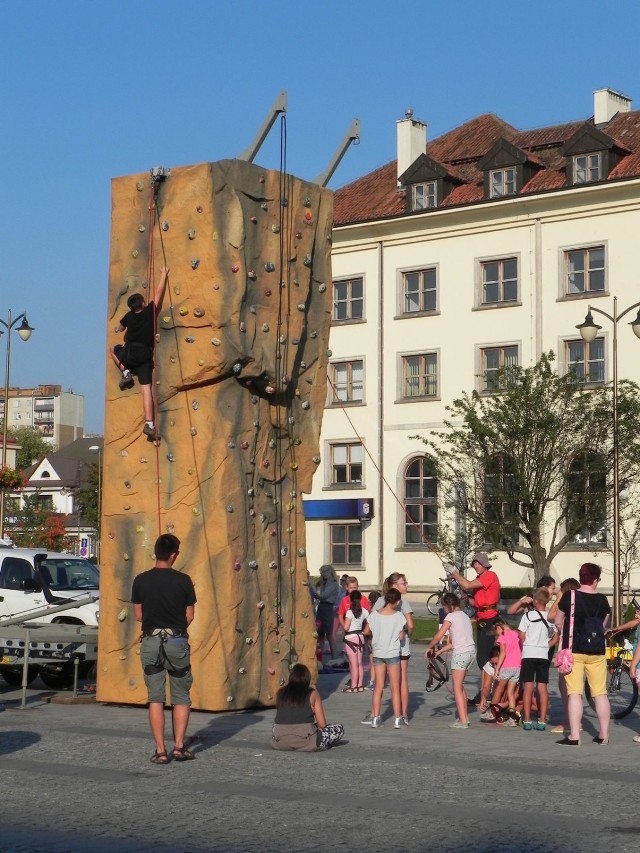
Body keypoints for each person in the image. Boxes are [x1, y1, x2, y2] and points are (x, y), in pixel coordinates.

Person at [131, 533, 196, 764]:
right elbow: (189, 616)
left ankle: (160, 751)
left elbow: (138, 615)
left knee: (155, 698)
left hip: (150, 641)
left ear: (155, 553)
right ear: (173, 554)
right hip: (177, 641)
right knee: (181, 696)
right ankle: (178, 747)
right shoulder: (184, 580)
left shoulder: (140, 580)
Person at [554, 562, 611, 746]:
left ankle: (574, 736)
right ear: (595, 580)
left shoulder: (570, 596)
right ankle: (603, 735)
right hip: (597, 651)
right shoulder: (603, 600)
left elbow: (557, 621)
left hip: (574, 651)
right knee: (600, 693)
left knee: (575, 693)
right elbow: (602, 626)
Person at [110, 265, 169, 441]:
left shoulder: (128, 317)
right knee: (146, 391)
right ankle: (149, 423)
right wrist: (164, 274)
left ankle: (125, 372)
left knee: (113, 348)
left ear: (131, 307)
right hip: (144, 356)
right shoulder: (150, 311)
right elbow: (158, 295)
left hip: (129, 353)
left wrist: (118, 326)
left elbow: (120, 329)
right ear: (143, 304)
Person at [448, 552, 501, 700]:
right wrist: (464, 597)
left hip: (490, 619)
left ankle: (486, 693)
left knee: (484, 657)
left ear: (484, 564)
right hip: (482, 619)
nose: (475, 566)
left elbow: (467, 584)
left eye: (477, 563)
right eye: (474, 564)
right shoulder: (480, 579)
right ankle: (485, 692)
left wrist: (454, 572)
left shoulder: (490, 575)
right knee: (482, 657)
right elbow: (476, 601)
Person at [425, 592, 476, 729]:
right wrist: (440, 651)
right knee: (460, 685)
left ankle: (463, 720)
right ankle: (464, 717)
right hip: (471, 652)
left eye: (443, 605)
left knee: (456, 687)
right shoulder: (465, 616)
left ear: (448, 605)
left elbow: (438, 637)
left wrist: (430, 647)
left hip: (461, 654)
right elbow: (455, 642)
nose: (443, 608)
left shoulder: (451, 616)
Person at [371, 573, 414, 724]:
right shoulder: (403, 603)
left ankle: (374, 714)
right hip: (400, 648)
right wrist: (408, 635)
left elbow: (371, 624)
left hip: (381, 648)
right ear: (394, 585)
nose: (406, 585)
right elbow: (410, 625)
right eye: (404, 582)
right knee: (401, 681)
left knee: (380, 684)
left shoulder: (379, 602)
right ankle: (403, 715)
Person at [272, 664, 344, 751]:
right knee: (339, 729)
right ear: (307, 678)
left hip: (280, 741)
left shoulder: (281, 692)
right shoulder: (312, 693)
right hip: (307, 741)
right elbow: (322, 724)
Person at [363, 587, 406, 729]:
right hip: (392, 653)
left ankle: (375, 717)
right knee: (395, 687)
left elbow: (366, 631)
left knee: (378, 687)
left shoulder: (374, 614)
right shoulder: (399, 616)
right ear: (397, 601)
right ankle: (398, 719)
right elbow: (401, 636)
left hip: (378, 653)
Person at [518, 588, 557, 731]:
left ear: (535, 601)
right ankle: (542, 720)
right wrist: (546, 645)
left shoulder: (527, 616)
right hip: (543, 654)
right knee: (542, 688)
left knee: (528, 687)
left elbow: (521, 635)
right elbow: (555, 637)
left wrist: (526, 644)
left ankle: (527, 719)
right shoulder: (550, 617)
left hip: (528, 653)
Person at [549, 577, 580, 734]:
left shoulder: (566, 604)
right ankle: (576, 721)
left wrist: (559, 598)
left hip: (567, 649)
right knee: (575, 688)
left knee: (565, 686)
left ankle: (569, 722)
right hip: (581, 648)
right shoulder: (581, 602)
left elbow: (551, 615)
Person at [492, 618, 523, 726]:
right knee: (510, 692)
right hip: (518, 666)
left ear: (499, 627)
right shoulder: (516, 633)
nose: (497, 634)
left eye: (496, 631)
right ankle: (512, 718)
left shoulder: (503, 636)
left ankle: (494, 711)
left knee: (499, 689)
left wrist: (497, 670)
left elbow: (502, 653)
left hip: (507, 666)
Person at [342, 590, 367, 692]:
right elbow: (370, 622)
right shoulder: (364, 611)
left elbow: (346, 627)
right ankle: (360, 685)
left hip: (350, 637)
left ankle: (353, 686)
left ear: (350, 599)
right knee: (360, 663)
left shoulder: (349, 612)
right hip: (360, 636)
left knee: (353, 663)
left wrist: (344, 623)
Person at [316, 564, 340, 661]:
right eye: (322, 572)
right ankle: (320, 658)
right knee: (320, 634)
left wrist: (314, 593)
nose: (323, 574)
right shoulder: (323, 583)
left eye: (325, 571)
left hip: (328, 607)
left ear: (330, 571)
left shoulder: (334, 583)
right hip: (321, 607)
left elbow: (324, 596)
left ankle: (334, 658)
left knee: (329, 634)